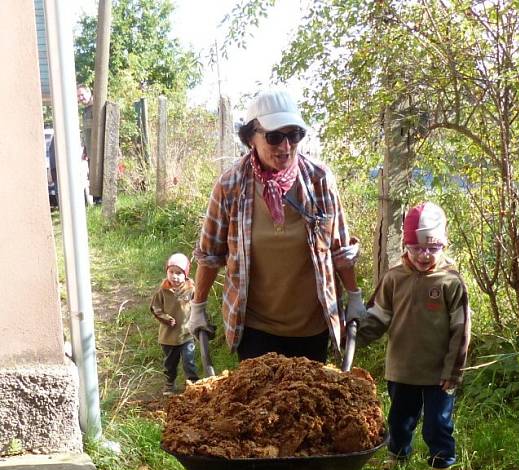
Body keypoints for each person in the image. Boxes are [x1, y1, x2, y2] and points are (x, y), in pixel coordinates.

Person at [189, 86, 366, 364]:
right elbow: (210, 254)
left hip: (311, 328)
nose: (285, 147)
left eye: (294, 135)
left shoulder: (318, 181)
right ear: (251, 138)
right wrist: (198, 306)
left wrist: (354, 296)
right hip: (256, 329)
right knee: (259, 406)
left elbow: (339, 249)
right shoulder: (230, 186)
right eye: (274, 137)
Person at [357, 202, 471, 470]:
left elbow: (461, 330)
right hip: (402, 368)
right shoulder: (394, 277)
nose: (424, 255)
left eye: (432, 248)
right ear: (406, 246)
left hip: (438, 374)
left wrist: (453, 370)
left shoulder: (450, 282)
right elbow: (378, 316)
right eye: (416, 248)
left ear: (443, 246)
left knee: (438, 425)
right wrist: (353, 338)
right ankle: (396, 457)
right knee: (399, 419)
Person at [150, 253, 200, 395]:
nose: (175, 276)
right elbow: (155, 308)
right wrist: (165, 318)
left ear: (185, 274)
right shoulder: (162, 291)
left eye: (179, 273)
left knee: (189, 362)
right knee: (170, 363)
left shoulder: (191, 289)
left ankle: (193, 385)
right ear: (167, 272)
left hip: (186, 334)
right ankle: (169, 384)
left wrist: (200, 321)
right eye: (171, 272)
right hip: (168, 336)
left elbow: (198, 305)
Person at [77, 84, 94, 162]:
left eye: (82, 95)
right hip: (91, 155)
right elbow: (88, 132)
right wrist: (85, 150)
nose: (80, 98)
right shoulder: (86, 111)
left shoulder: (95, 108)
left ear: (89, 93)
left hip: (98, 154)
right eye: (78, 96)